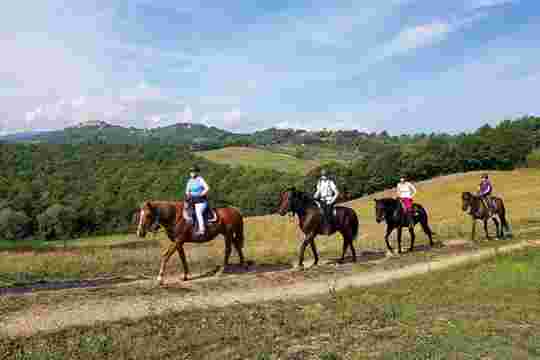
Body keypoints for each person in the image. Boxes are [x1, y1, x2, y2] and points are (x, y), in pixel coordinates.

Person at [185, 165, 210, 235]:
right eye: (191, 172)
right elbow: (187, 191)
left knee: (198, 212)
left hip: (201, 201)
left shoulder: (200, 179)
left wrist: (201, 194)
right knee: (184, 210)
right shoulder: (189, 181)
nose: (192, 173)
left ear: (197, 172)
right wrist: (188, 195)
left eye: (193, 171)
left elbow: (207, 188)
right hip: (192, 200)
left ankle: (202, 229)